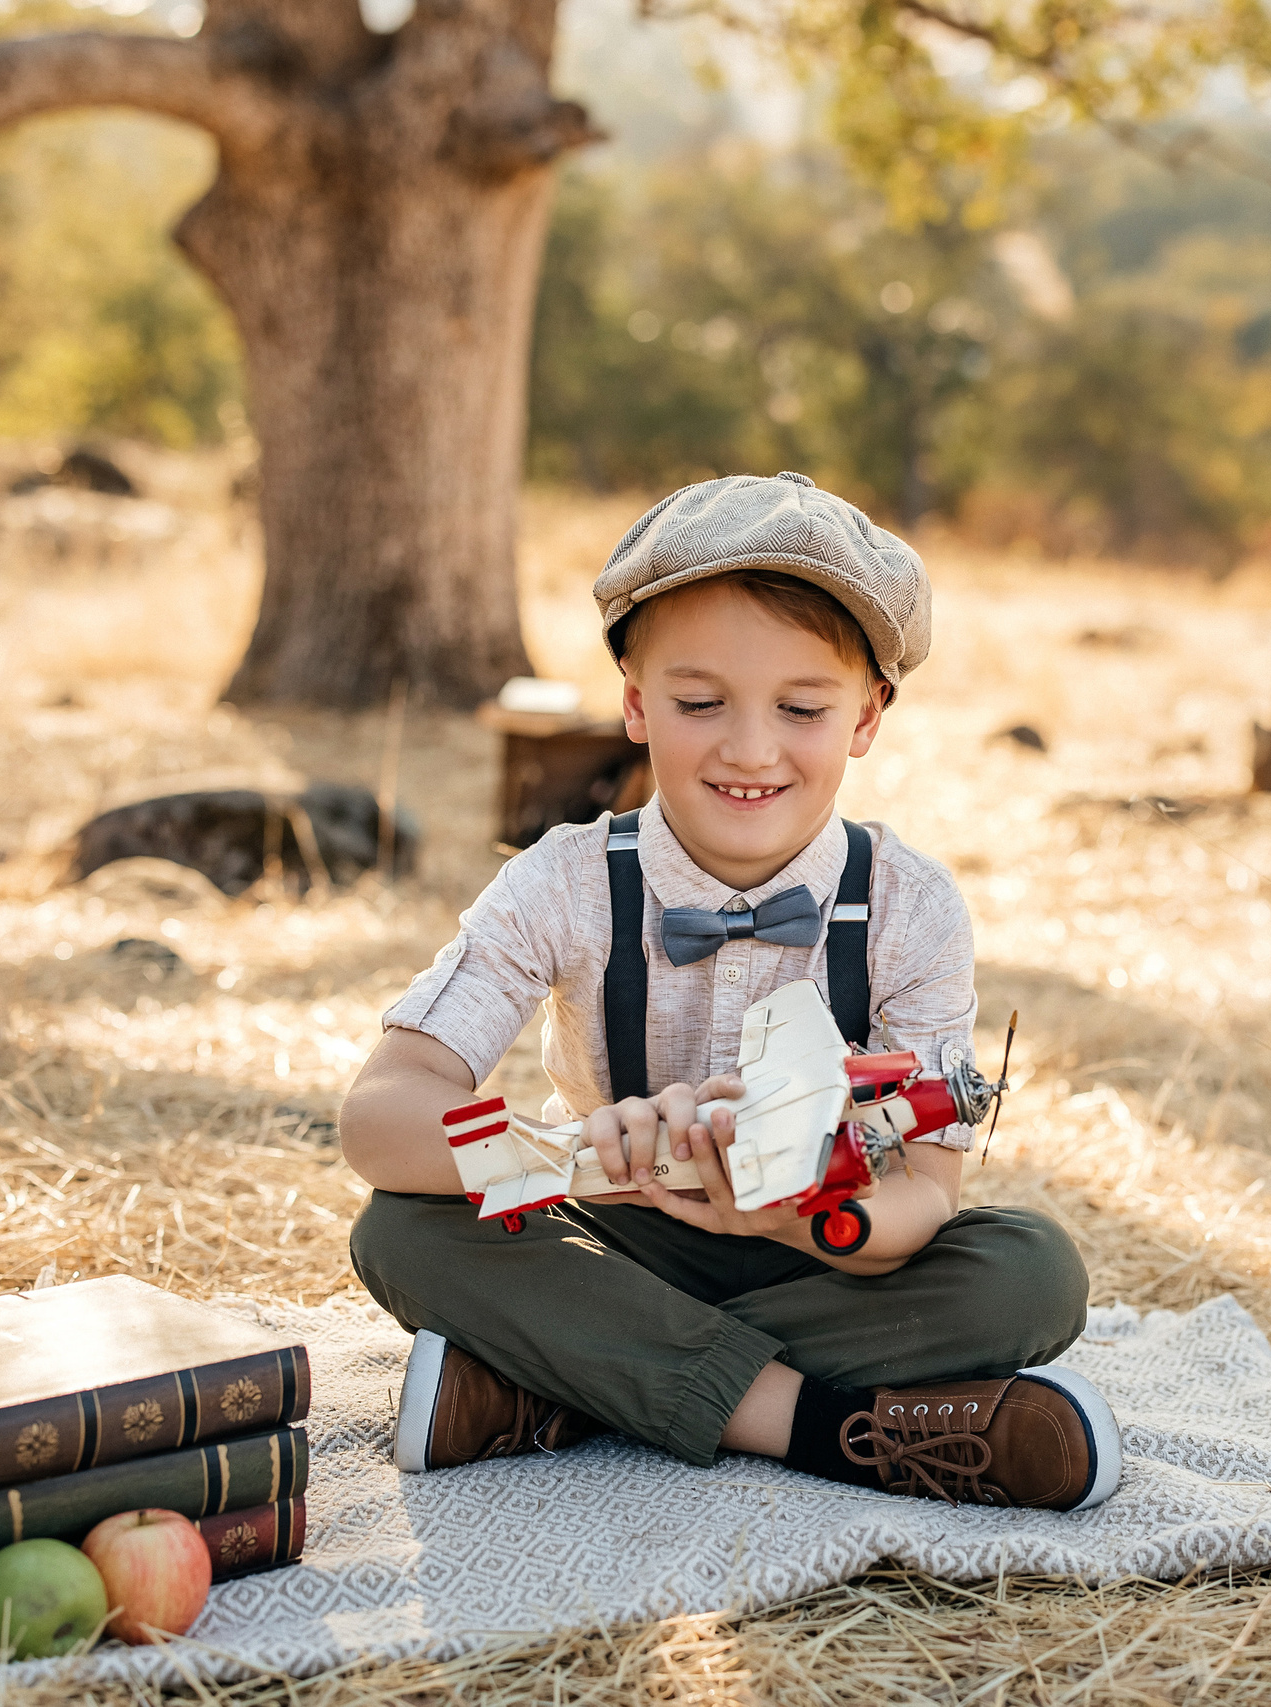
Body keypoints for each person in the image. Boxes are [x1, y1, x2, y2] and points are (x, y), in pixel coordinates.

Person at [339, 471, 1116, 1511]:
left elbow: (921, 1193)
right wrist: (578, 1150)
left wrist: (793, 1220)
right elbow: (380, 1117)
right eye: (700, 703)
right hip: (618, 1234)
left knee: (1029, 1270)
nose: (749, 749)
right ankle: (825, 1430)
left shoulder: (911, 909)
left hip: (814, 1261)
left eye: (800, 708)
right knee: (401, 1227)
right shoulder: (562, 882)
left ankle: (565, 1387)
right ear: (633, 703)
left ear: (867, 717)